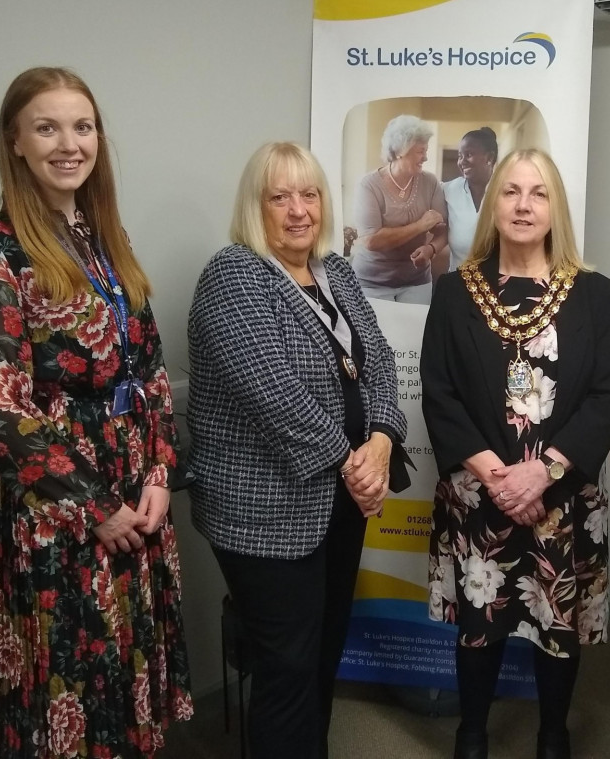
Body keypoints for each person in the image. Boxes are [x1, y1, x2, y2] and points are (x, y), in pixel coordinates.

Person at [0, 67, 192, 759]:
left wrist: (157, 473)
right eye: (48, 126)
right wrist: (97, 504)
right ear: (17, 141)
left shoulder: (102, 237)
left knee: (128, 676)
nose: (69, 143)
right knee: (72, 681)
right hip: (57, 503)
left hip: (134, 483)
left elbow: (149, 365)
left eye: (83, 126)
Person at [186, 142, 407, 759]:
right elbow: (273, 392)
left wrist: (383, 442)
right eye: (278, 196)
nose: (298, 210)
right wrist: (354, 463)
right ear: (255, 207)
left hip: (339, 499)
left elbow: (380, 362)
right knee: (287, 665)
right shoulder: (234, 273)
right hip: (266, 509)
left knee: (324, 650)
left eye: (308, 194)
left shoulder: (334, 270)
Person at [421, 149, 610, 759]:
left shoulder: (597, 295)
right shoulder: (455, 292)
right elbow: (440, 394)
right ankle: (471, 734)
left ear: (554, 207)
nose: (522, 205)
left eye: (538, 194)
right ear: (493, 205)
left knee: (556, 623)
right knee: (480, 624)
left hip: (561, 495)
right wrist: (496, 477)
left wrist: (544, 472)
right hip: (480, 491)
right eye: (510, 192)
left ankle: (552, 734)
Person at [350, 114, 447, 303]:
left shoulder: (430, 182)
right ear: (402, 150)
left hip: (417, 281)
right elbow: (371, 241)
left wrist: (431, 249)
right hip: (371, 283)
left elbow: (442, 229)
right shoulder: (368, 185)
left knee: (415, 333)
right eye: (421, 151)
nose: (426, 157)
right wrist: (420, 226)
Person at [443, 127, 498, 271]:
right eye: (460, 156)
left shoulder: (505, 191)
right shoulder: (449, 190)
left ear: (490, 158)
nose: (462, 162)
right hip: (458, 282)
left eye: (468, 154)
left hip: (495, 285)